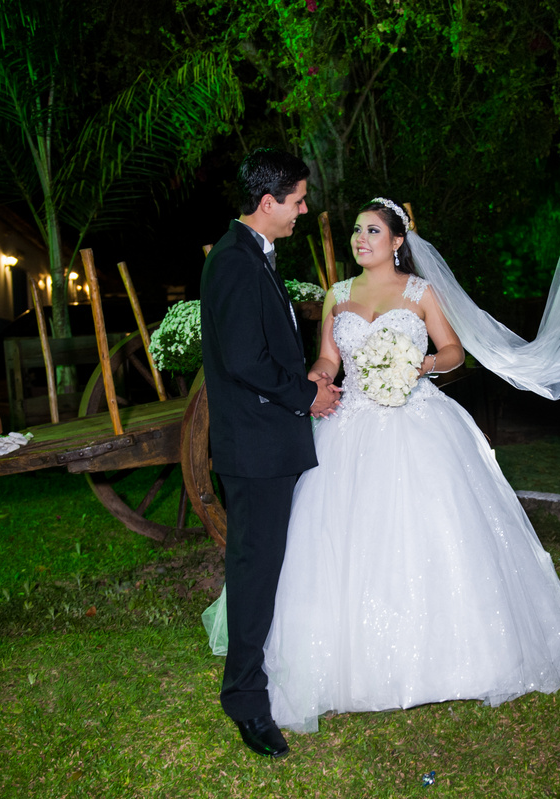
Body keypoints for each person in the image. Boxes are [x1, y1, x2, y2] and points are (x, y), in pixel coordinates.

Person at [204, 197, 560, 733]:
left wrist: (424, 363)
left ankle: (452, 656)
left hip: (418, 422)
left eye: (372, 231)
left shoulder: (420, 292)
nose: (360, 239)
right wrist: (318, 378)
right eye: (356, 231)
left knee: (431, 531)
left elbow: (455, 350)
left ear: (396, 242)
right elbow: (327, 358)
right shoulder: (336, 295)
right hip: (352, 423)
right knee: (336, 538)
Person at [200, 147, 340, 758]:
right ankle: (246, 704)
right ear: (267, 202)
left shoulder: (253, 256)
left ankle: (258, 682)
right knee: (254, 572)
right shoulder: (233, 261)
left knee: (266, 567)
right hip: (253, 450)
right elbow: (243, 360)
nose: (304, 210)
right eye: (298, 200)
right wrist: (306, 395)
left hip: (265, 445)